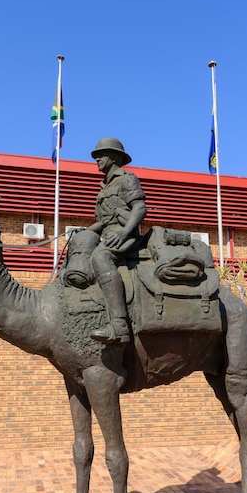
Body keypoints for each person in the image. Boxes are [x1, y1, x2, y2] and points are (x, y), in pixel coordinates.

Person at [88, 137, 147, 343]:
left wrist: (124, 233)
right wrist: (85, 233)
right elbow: (102, 222)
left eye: (100, 155)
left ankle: (119, 325)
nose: (96, 160)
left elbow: (139, 208)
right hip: (110, 233)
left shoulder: (127, 179)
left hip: (126, 235)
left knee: (101, 257)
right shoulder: (103, 188)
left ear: (113, 157)